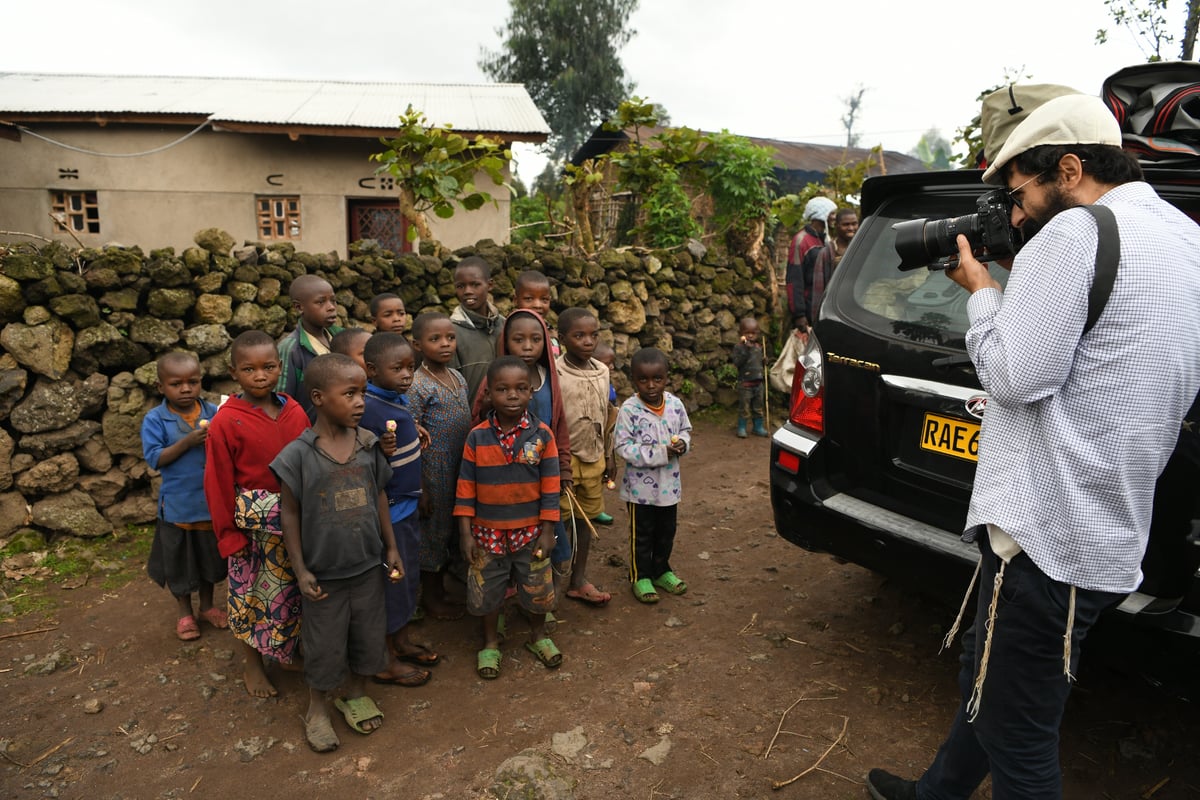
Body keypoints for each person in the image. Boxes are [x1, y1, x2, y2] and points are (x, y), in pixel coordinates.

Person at [866, 94, 1200, 800]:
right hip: (1106, 533)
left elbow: (1018, 377)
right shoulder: (1183, 235)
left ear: (1070, 168)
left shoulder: (1075, 234)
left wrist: (983, 291)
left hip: (1048, 535)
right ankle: (936, 794)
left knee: (1019, 734)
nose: (1014, 216)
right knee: (991, 684)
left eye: (1017, 192)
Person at [271, 354, 403, 753]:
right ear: (318, 398)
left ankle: (358, 692)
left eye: (362, 392)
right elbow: (289, 512)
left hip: (366, 566)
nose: (361, 402)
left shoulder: (367, 444)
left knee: (367, 634)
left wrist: (392, 546)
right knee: (324, 643)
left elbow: (379, 494)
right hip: (324, 574)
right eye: (350, 394)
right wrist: (300, 567)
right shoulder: (298, 455)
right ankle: (317, 708)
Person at [204, 330, 311, 698]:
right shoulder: (225, 422)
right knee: (250, 598)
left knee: (291, 595)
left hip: (297, 522)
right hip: (251, 530)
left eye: (268, 367)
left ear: (279, 368)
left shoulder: (294, 411)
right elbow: (217, 484)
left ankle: (284, 652)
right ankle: (252, 663)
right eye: (250, 369)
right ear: (234, 372)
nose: (260, 375)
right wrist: (228, 536)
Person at [454, 356, 562, 679]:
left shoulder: (542, 436)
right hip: (486, 534)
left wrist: (547, 531)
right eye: (502, 389)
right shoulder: (477, 437)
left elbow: (551, 488)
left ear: (531, 392)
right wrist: (465, 533)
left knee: (537, 588)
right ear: (488, 394)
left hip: (530, 533)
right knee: (487, 592)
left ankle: (538, 635)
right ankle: (490, 642)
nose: (512, 396)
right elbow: (465, 487)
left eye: (520, 389)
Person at [360, 332, 438, 687]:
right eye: (398, 368)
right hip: (388, 515)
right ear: (372, 369)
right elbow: (367, 464)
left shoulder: (394, 400)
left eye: (411, 367)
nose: (408, 375)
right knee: (391, 585)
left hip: (406, 508)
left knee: (406, 581)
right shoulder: (368, 409)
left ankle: (401, 640)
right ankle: (385, 658)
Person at [473, 309, 574, 574]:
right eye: (519, 340)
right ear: (505, 342)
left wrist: (564, 467)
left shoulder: (549, 380)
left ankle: (541, 596)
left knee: (548, 534)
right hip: (505, 479)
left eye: (536, 339)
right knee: (509, 544)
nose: (528, 347)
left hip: (543, 472)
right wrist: (485, 409)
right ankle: (509, 590)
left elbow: (560, 424)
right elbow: (478, 425)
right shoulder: (493, 381)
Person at [141, 352, 225, 641]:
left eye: (193, 382)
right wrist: (188, 442)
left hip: (209, 504)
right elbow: (155, 458)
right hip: (178, 506)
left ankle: (208, 607)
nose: (186, 389)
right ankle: (185, 613)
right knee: (180, 562)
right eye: (177, 384)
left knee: (208, 559)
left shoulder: (214, 412)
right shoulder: (156, 420)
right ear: (160, 387)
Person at [408, 312, 472, 620]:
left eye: (450, 338)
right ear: (417, 345)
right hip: (433, 473)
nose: (445, 344)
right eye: (435, 339)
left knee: (450, 531)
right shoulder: (417, 385)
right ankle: (431, 598)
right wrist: (419, 485)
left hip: (460, 468)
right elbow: (410, 436)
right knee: (432, 535)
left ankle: (446, 586)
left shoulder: (457, 376)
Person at [615, 347, 692, 604]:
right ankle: (640, 576)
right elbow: (622, 447)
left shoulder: (674, 404)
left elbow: (686, 430)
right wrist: (660, 452)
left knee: (666, 531)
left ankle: (661, 570)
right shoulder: (629, 410)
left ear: (666, 377)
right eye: (643, 379)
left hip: (669, 487)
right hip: (641, 492)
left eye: (657, 379)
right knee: (643, 533)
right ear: (633, 379)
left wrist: (682, 443)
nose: (650, 385)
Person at [555, 308, 616, 607]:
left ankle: (577, 580)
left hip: (594, 458)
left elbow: (606, 415)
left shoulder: (602, 372)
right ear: (562, 338)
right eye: (579, 336)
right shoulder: (555, 373)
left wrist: (610, 455)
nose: (588, 341)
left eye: (593, 335)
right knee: (558, 523)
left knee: (586, 520)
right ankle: (550, 586)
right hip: (563, 461)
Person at [277, 274, 343, 417]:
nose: (331, 307)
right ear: (299, 307)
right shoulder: (291, 349)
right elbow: (281, 401)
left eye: (333, 301)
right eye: (320, 302)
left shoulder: (342, 339)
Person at [449, 256, 505, 401]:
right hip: (469, 418)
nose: (467, 291)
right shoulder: (451, 332)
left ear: (490, 285)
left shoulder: (504, 325)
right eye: (461, 286)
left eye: (475, 285)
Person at [785, 196, 836, 326]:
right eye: (832, 213)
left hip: (824, 306)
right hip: (808, 308)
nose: (834, 217)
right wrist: (799, 314)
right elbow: (794, 279)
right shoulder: (801, 241)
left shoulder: (826, 239)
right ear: (821, 214)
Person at [804, 207, 859, 327]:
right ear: (837, 225)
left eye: (854, 224)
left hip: (859, 312)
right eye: (846, 224)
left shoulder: (863, 250)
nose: (851, 228)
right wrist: (817, 321)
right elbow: (818, 289)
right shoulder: (826, 253)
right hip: (835, 313)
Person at [730, 317, 767, 438]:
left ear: (757, 333)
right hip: (745, 383)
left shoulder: (759, 347)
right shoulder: (739, 347)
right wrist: (746, 349)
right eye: (747, 333)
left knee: (758, 406)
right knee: (744, 407)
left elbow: (758, 362)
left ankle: (758, 427)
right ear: (741, 334)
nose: (750, 335)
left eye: (753, 333)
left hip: (758, 382)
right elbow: (737, 363)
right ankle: (741, 427)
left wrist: (764, 362)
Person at [514, 269, 560, 356]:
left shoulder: (552, 334)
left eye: (544, 299)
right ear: (516, 300)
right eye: (529, 299)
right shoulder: (509, 331)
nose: (538, 305)